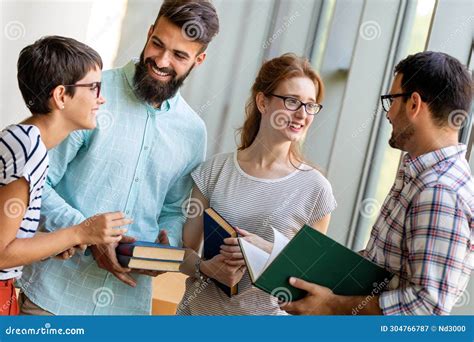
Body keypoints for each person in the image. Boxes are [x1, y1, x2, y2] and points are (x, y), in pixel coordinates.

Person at [18, 0, 219, 315]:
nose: (162, 61)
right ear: (149, 32)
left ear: (199, 59)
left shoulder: (194, 132)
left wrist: (164, 249)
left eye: (180, 55)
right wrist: (87, 232)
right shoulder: (90, 95)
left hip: (126, 308)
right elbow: (36, 184)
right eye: (157, 44)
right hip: (52, 297)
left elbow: (173, 209)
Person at [281, 51, 473, 315]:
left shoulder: (440, 191)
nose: (389, 113)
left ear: (414, 104)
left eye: (391, 100)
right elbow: (383, 265)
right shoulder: (419, 175)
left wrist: (331, 305)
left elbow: (427, 310)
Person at [177, 53, 337, 315]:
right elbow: (183, 251)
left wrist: (265, 253)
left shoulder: (316, 189)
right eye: (292, 101)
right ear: (262, 101)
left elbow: (309, 281)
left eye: (310, 105)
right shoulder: (214, 170)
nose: (302, 114)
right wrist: (206, 268)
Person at [0, 36, 130, 315]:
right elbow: (1, 252)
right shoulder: (28, 148)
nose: (102, 98)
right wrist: (80, 232)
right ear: (61, 96)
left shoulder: (28, 142)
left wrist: (57, 241)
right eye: (94, 87)